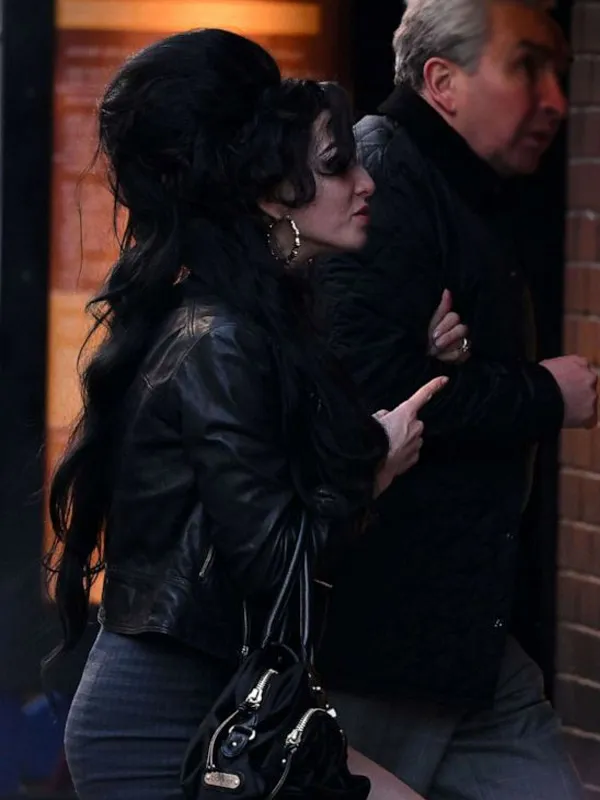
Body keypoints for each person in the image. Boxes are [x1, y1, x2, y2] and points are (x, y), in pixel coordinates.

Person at [43, 28, 467, 800]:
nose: (365, 182)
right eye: (336, 165)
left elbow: (289, 458)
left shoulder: (249, 319)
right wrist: (374, 468)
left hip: (234, 710)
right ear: (273, 195)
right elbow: (274, 562)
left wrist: (422, 354)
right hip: (165, 727)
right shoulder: (222, 336)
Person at [317, 2, 597, 799]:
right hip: (384, 637)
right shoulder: (381, 183)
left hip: (462, 632)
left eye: (560, 73)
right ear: (442, 81)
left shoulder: (458, 185)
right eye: (527, 67)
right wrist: (544, 392)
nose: (555, 100)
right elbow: (377, 399)